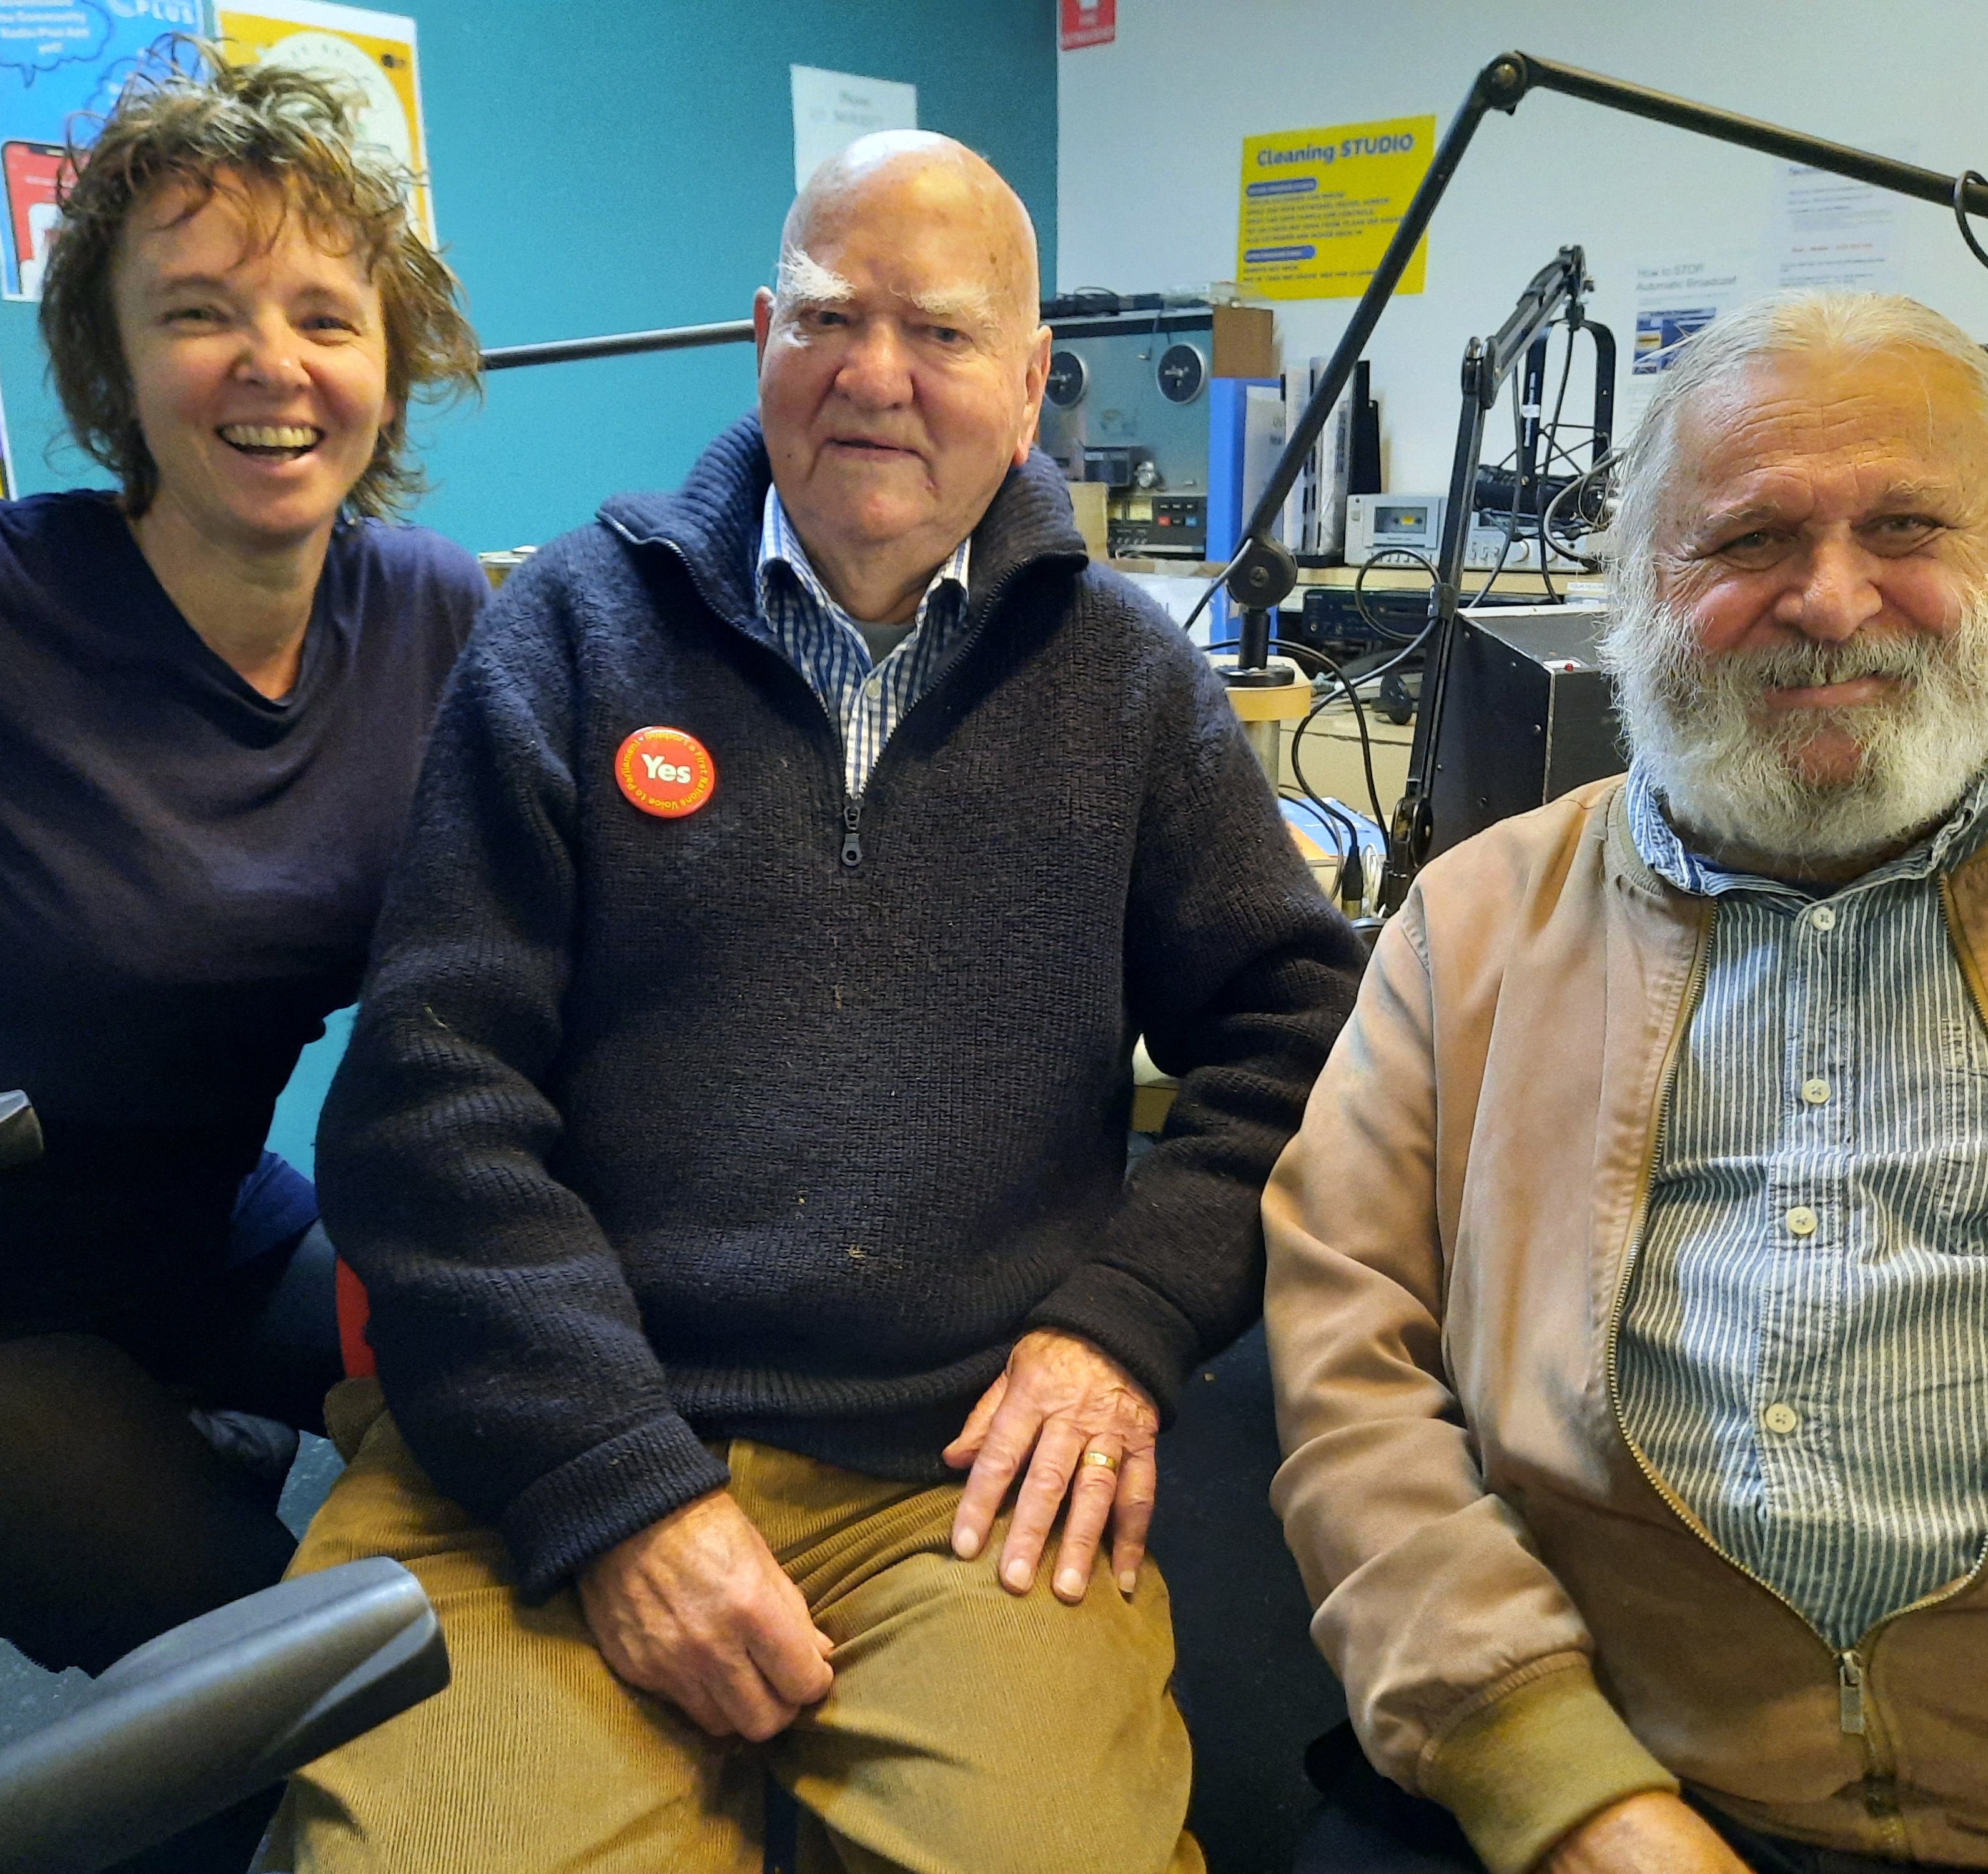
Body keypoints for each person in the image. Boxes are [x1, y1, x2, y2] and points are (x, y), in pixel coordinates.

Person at [269, 130, 1363, 1873]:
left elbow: (1302, 1037)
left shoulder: (1130, 683)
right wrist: (618, 1489)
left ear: (1027, 386)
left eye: (937, 333)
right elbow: (429, 1104)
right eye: (833, 319)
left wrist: (1124, 1326)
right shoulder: (564, 630)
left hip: (965, 1468)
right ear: (761, 333)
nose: (875, 377)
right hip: (555, 1437)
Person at [1263, 290, 1988, 1874]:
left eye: (1908, 525)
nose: (1830, 598)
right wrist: (1565, 1787)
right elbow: (1350, 1386)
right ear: (1634, 583)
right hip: (1605, 1777)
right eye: (1746, 542)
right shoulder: (1470, 929)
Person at [0, 50, 481, 1869]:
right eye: (201, 311)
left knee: (497, 1384)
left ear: (388, 361)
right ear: (116, 360)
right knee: (256, 1636)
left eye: (326, 314)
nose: (271, 362)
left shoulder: (431, 618)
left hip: (188, 1212)